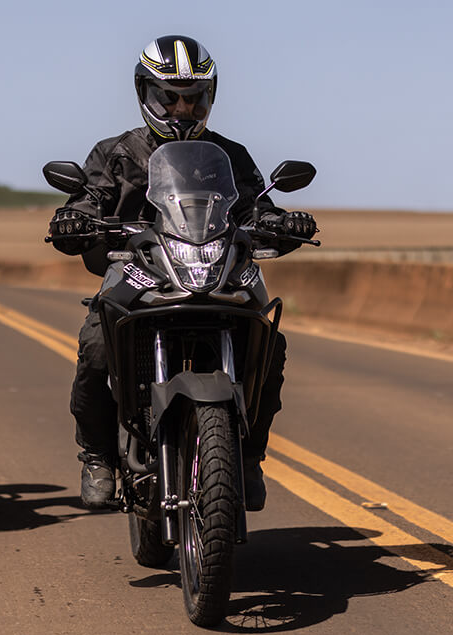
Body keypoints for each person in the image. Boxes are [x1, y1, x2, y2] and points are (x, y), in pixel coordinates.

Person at [46, 36, 318, 511]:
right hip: (138, 270)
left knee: (269, 344)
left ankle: (249, 456)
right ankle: (97, 458)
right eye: (169, 96)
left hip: (217, 269)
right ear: (144, 93)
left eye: (194, 97)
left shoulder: (229, 155)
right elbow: (85, 199)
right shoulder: (116, 153)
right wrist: (73, 218)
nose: (183, 108)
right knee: (94, 348)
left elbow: (258, 204)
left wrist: (282, 220)